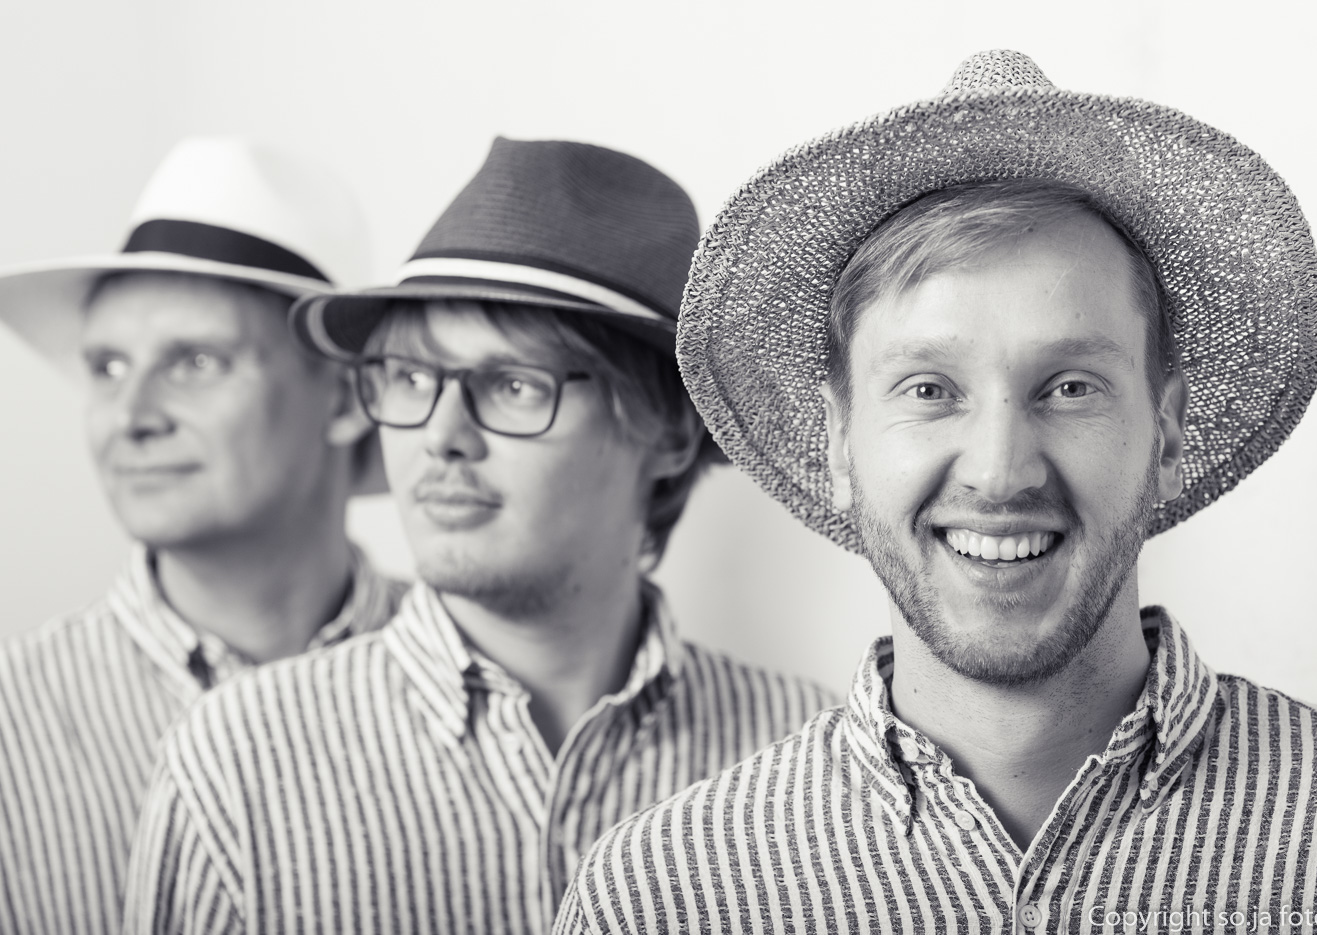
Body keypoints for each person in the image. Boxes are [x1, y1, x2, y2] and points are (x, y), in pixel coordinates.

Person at [556, 51, 1317, 933]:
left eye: (1069, 386)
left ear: (1169, 435)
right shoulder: (664, 895)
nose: (999, 471)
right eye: (929, 389)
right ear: (839, 441)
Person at [122, 137, 838, 935]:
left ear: (669, 428)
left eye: (513, 385)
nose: (441, 436)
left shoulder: (810, 759)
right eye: (411, 378)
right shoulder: (236, 763)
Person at [0, 138, 405, 934]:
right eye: (107, 367)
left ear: (344, 397)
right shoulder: (13, 720)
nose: (131, 416)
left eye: (194, 361)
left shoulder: (493, 677)